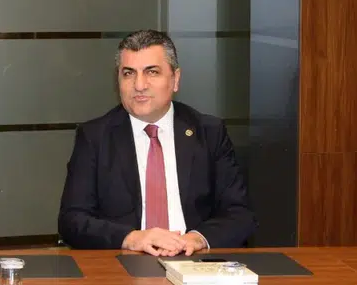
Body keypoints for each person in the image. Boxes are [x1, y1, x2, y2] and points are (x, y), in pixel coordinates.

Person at [58, 29, 256, 256]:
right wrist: (131, 238)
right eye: (129, 73)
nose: (139, 85)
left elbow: (239, 214)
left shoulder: (208, 132)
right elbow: (72, 220)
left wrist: (197, 239)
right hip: (124, 263)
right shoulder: (95, 137)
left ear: (175, 79)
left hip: (194, 260)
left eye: (152, 72)